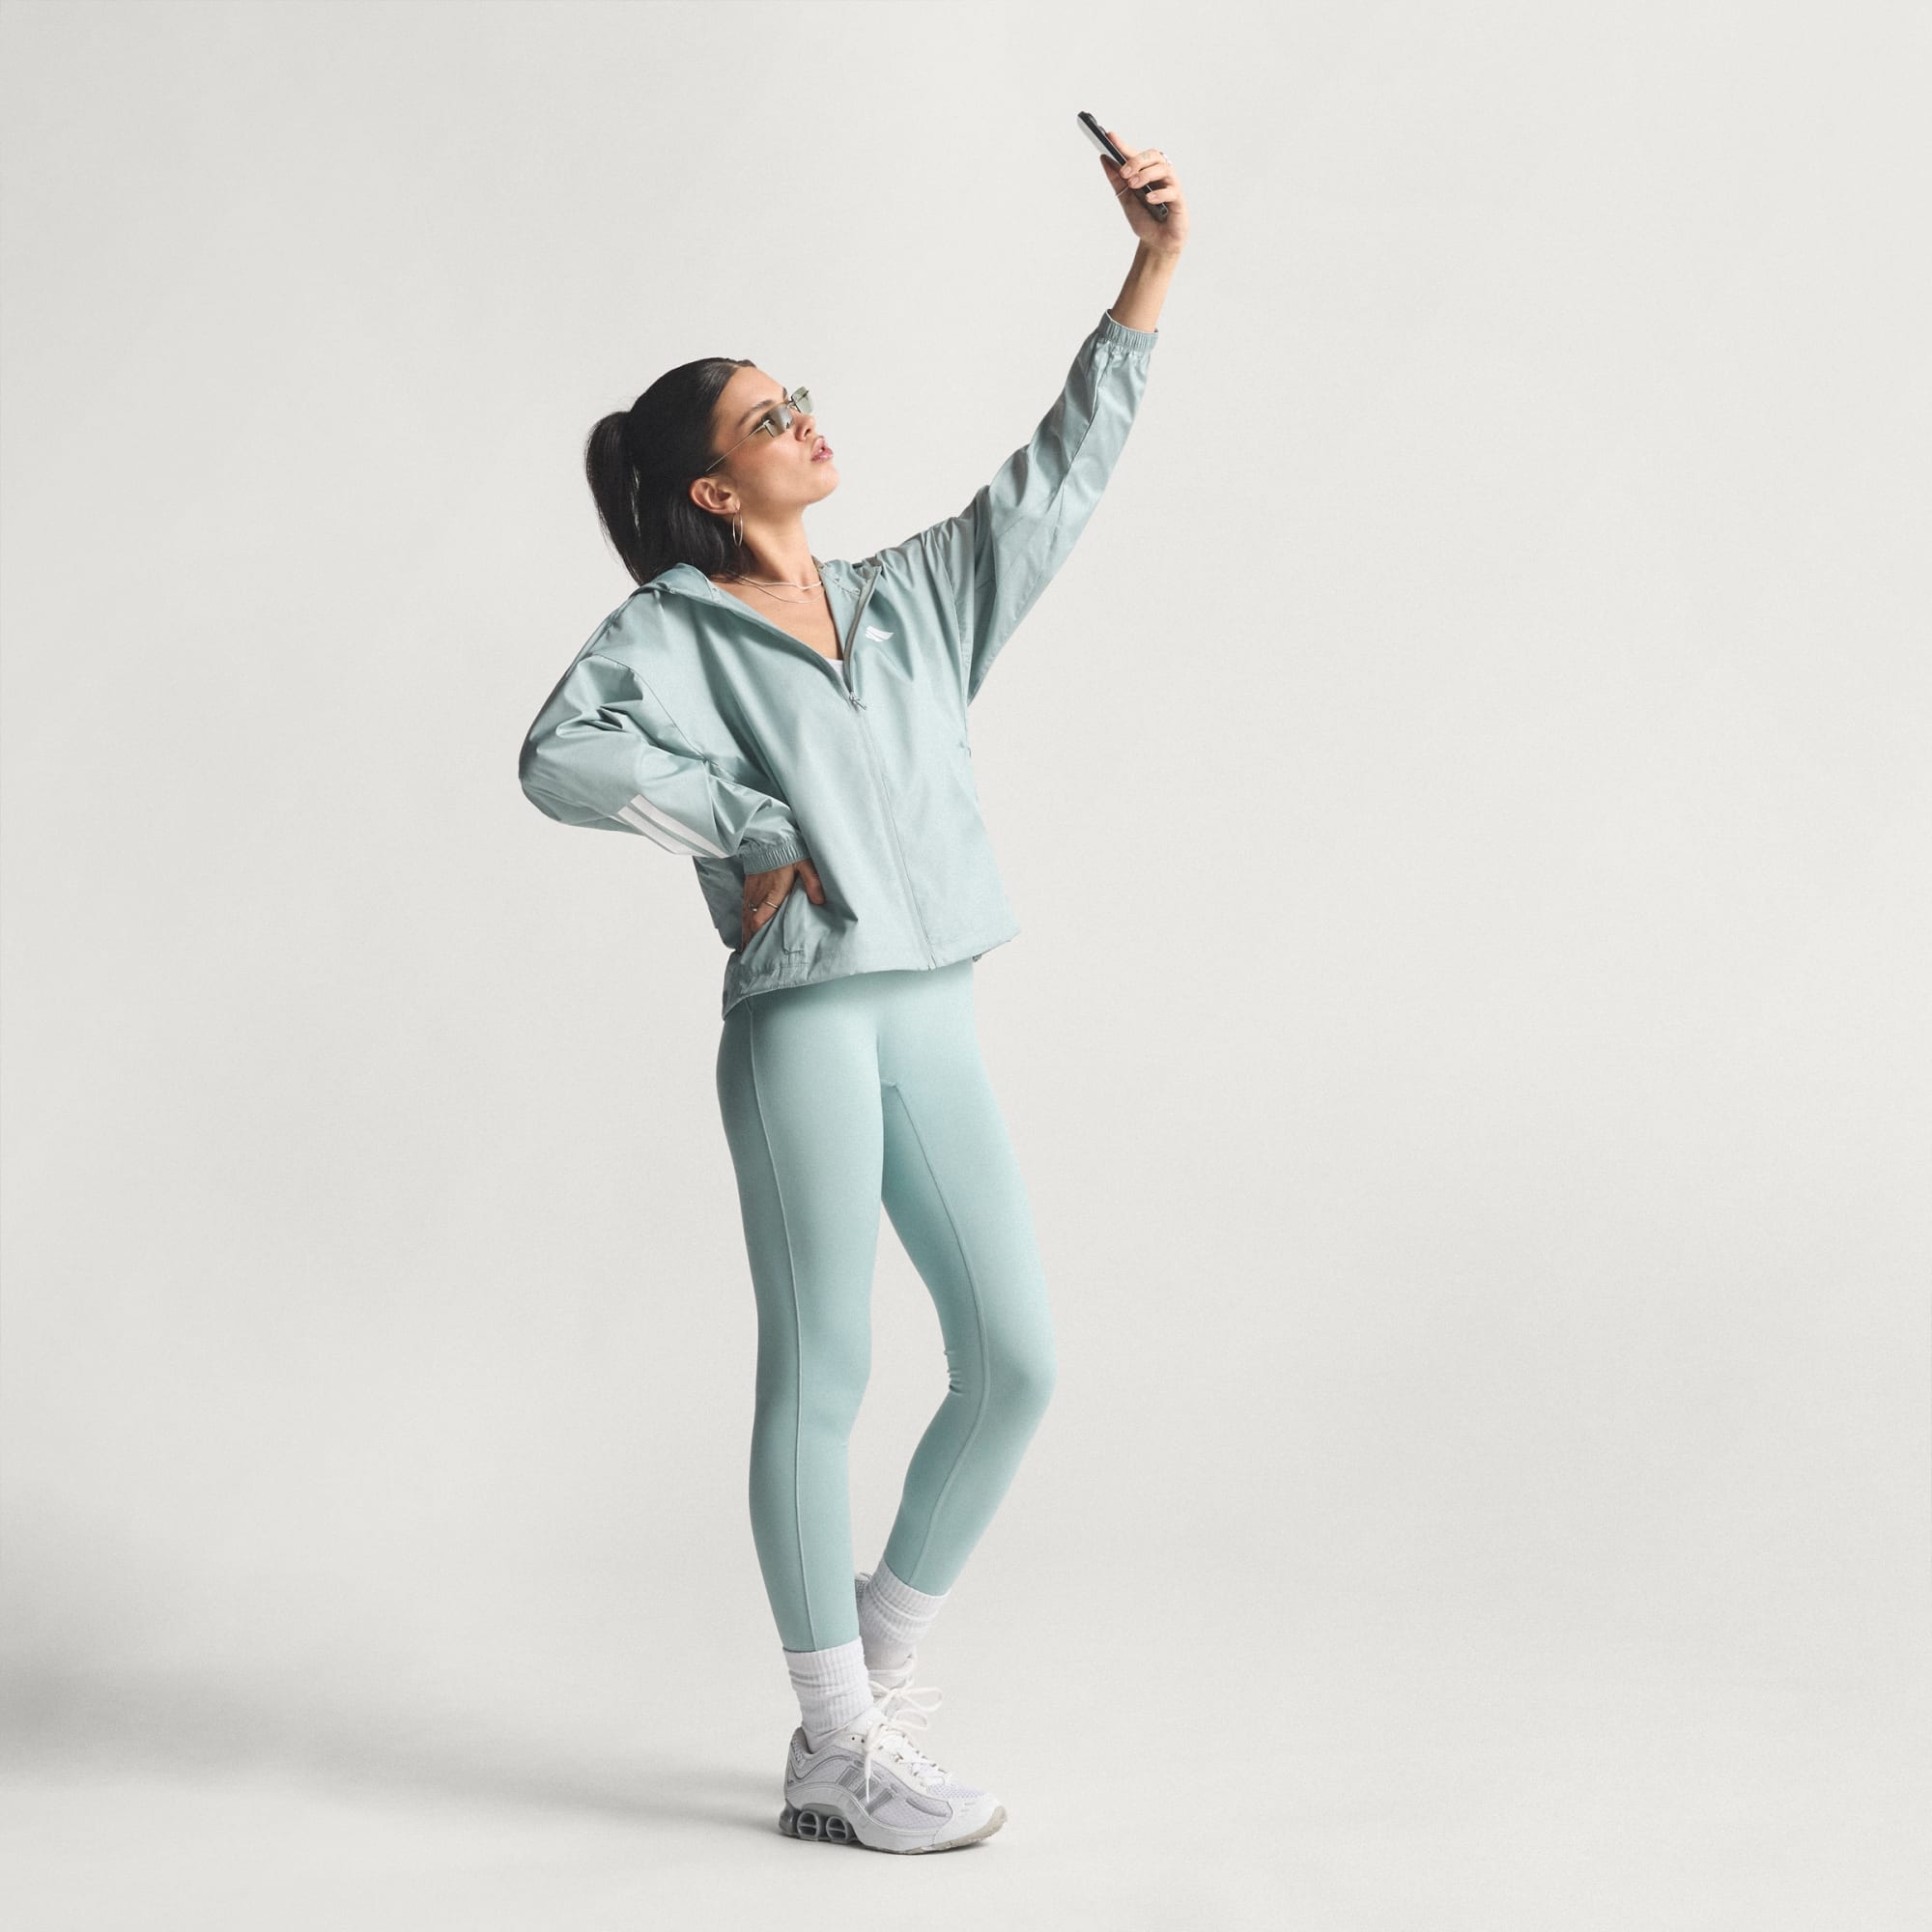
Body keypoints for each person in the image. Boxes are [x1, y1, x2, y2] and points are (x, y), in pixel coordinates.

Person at [519, 131, 1187, 1854]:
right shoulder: (672, 628)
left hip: (932, 1006)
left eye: (797, 398)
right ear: (713, 489)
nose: (807, 421)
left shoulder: (911, 601)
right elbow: (560, 755)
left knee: (1015, 1362)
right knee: (826, 1365)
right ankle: (838, 1752)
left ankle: (862, 1699)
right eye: (770, 417)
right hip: (805, 1019)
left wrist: (1149, 271)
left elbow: (1058, 479)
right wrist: (744, 826)